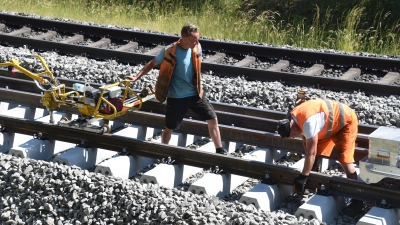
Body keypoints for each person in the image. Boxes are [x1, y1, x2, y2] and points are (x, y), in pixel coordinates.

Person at [125, 23, 228, 155]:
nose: (197, 41)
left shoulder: (197, 48)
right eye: (194, 39)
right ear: (184, 39)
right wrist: (136, 77)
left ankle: (219, 150)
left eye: (198, 39)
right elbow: (153, 63)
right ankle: (163, 151)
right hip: (177, 97)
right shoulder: (169, 50)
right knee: (169, 127)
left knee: (212, 118)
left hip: (195, 93)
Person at [277, 99, 363, 217]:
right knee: (315, 157)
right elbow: (311, 152)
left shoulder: (308, 122)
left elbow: (310, 153)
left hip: (345, 122)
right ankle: (312, 186)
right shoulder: (295, 118)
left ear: (294, 128)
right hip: (328, 126)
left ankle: (357, 202)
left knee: (345, 159)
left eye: (292, 136)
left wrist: (303, 176)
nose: (293, 138)